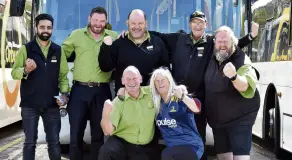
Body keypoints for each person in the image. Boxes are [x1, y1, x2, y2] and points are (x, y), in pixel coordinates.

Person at [147, 11, 259, 159]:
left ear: (206, 25)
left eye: (201, 22)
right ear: (190, 24)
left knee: (198, 140)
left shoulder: (212, 42)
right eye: (194, 22)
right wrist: (139, 31)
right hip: (176, 98)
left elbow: (230, 43)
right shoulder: (179, 39)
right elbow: (158, 35)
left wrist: (250, 36)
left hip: (198, 101)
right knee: (174, 135)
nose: (197, 25)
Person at [61, 6, 118, 160]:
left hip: (102, 92)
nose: (98, 24)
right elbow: (60, 55)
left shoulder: (114, 36)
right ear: (89, 19)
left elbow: (126, 49)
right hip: (79, 90)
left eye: (102, 21)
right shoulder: (76, 35)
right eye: (95, 20)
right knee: (75, 136)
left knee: (98, 136)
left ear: (106, 22)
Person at [11, 14, 69, 160]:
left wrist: (64, 94)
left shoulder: (58, 50)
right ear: (36, 27)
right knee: (30, 143)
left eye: (49, 28)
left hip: (51, 105)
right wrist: (25, 70)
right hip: (30, 105)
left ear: (52, 29)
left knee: (54, 143)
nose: (45, 31)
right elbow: (14, 73)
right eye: (42, 27)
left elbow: (63, 76)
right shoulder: (26, 49)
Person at [204, 26, 260, 160]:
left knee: (240, 157)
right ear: (214, 42)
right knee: (223, 157)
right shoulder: (213, 55)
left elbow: (245, 86)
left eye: (226, 42)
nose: (222, 45)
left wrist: (234, 76)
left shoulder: (242, 59)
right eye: (219, 42)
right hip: (218, 119)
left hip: (240, 118)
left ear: (233, 43)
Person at [98, 9, 169, 93]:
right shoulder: (119, 44)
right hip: (125, 99)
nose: (136, 27)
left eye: (140, 23)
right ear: (127, 23)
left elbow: (165, 70)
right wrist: (105, 47)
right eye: (133, 23)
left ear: (146, 23)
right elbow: (105, 68)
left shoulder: (157, 42)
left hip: (151, 98)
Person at [99, 66, 156, 160]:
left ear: (141, 79)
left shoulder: (151, 94)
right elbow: (107, 131)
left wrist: (180, 91)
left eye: (135, 78)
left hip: (144, 147)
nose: (132, 82)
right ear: (122, 81)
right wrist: (105, 113)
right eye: (128, 79)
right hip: (122, 142)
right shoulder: (118, 101)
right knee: (106, 151)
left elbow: (166, 89)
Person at [149, 67, 204, 160]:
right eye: (157, 81)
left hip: (191, 146)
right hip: (172, 149)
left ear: (169, 81)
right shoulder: (156, 104)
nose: (160, 83)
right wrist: (124, 91)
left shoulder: (179, 97)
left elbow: (197, 108)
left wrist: (183, 96)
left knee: (166, 154)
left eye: (163, 80)